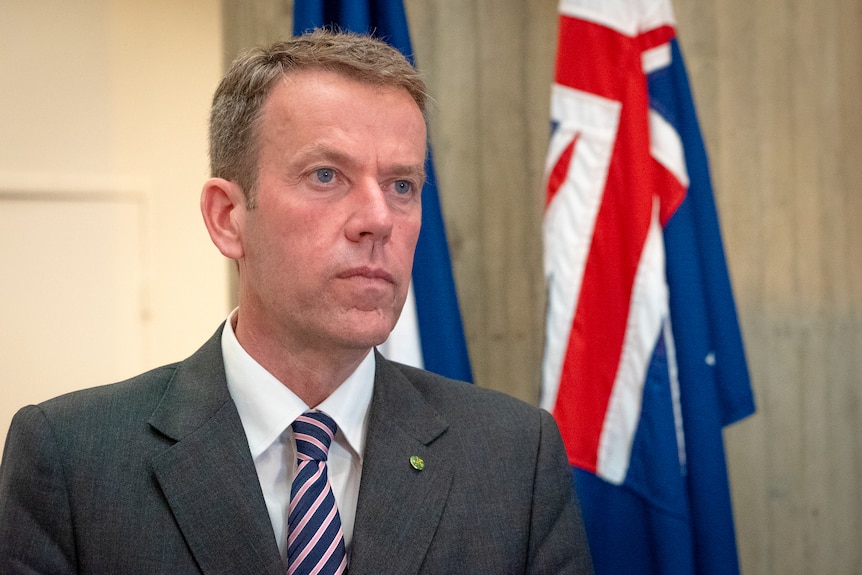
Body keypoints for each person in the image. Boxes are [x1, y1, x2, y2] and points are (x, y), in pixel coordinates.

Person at [0, 30, 593, 574]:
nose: (378, 220)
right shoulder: (71, 462)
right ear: (228, 218)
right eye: (327, 176)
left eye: (401, 185)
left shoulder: (515, 459)